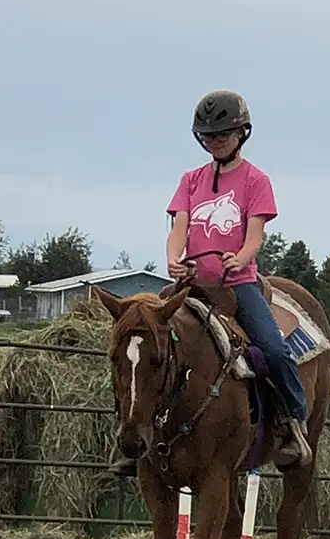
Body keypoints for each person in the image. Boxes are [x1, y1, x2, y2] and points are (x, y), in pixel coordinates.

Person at [109, 90, 311, 475]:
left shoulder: (256, 180)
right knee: (139, 344)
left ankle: (292, 423)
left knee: (273, 348)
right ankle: (130, 434)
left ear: (241, 133)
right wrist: (174, 258)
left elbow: (255, 235)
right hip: (191, 285)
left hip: (238, 285)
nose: (215, 141)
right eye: (208, 135)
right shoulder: (190, 180)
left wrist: (242, 257)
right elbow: (178, 229)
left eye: (222, 134)